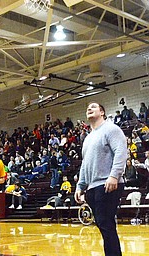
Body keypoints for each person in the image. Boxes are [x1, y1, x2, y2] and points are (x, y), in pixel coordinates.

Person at [74, 102, 128, 256]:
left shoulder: (111, 129)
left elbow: (121, 151)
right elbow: (85, 164)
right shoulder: (87, 138)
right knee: (104, 225)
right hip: (92, 188)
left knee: (105, 224)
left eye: (93, 107)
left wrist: (114, 175)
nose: (89, 109)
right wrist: (80, 186)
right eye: (87, 108)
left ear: (102, 112)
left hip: (107, 184)